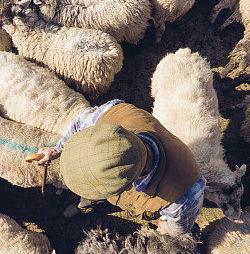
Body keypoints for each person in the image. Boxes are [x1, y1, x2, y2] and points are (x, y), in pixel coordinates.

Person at [34, 99, 205, 236]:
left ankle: (89, 202)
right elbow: (80, 123)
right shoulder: (115, 113)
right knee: (90, 190)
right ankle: (84, 205)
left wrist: (167, 227)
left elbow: (180, 228)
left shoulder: (184, 195)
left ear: (127, 186)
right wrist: (57, 149)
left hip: (147, 198)